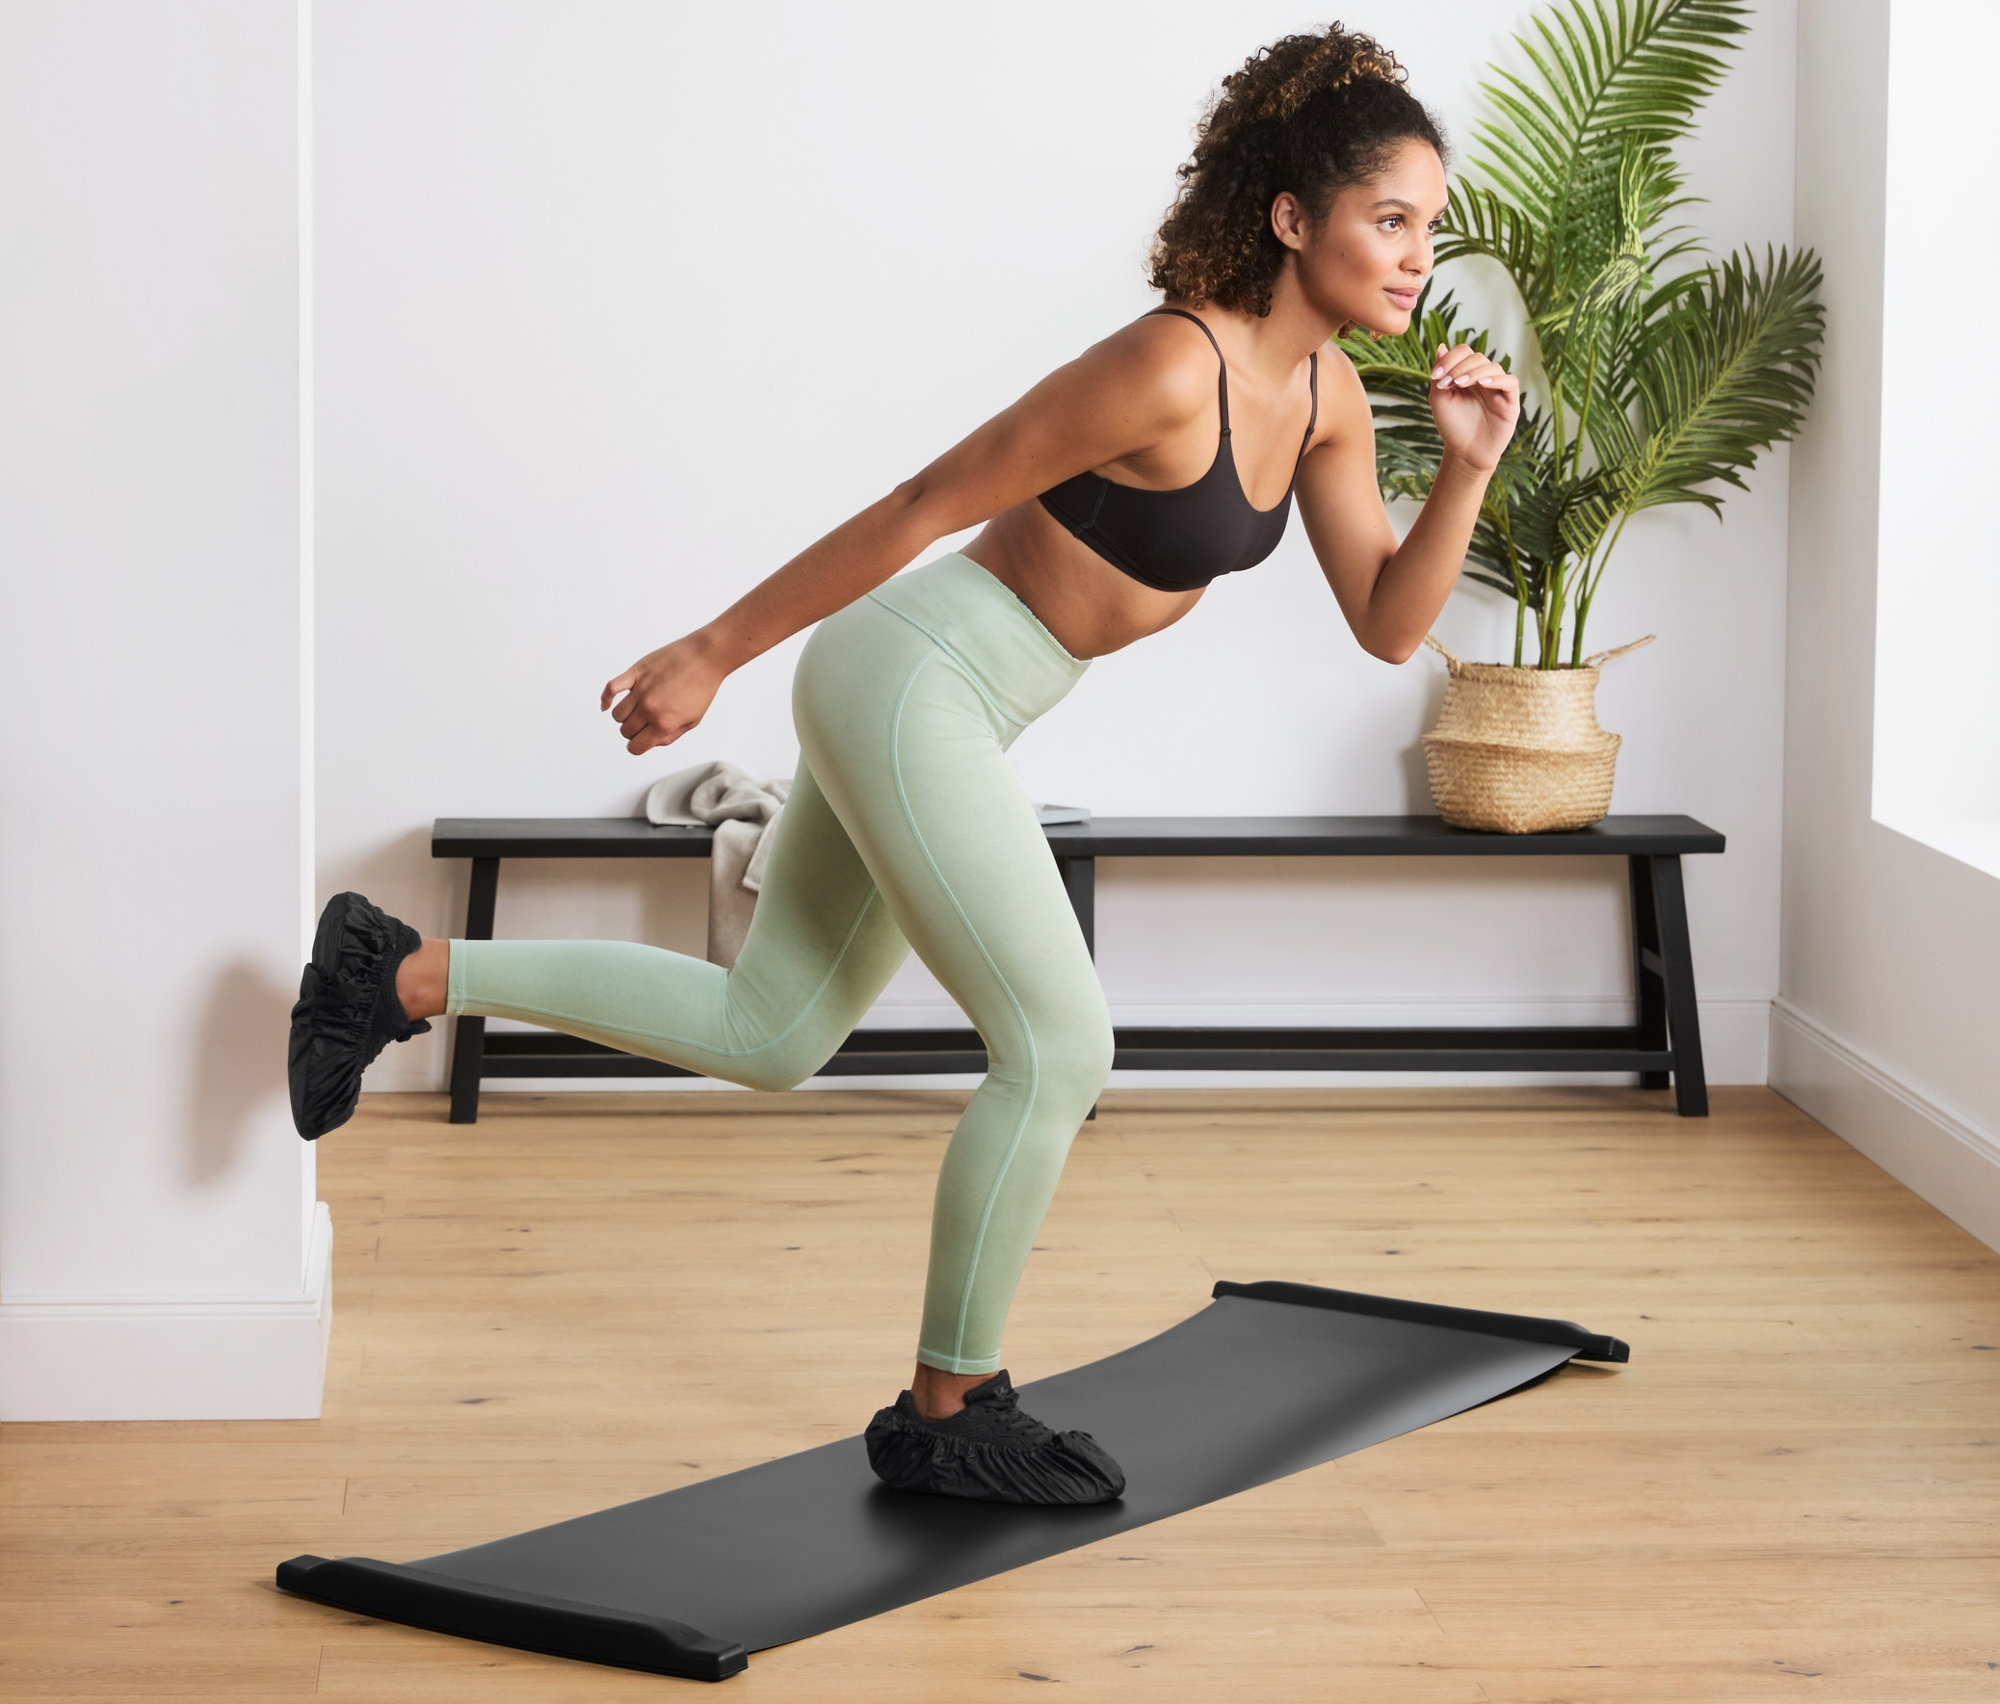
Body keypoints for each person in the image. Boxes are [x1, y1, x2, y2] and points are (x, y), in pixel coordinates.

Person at [288, 24, 1519, 1506]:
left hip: (964, 701)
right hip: (911, 676)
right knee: (1062, 1044)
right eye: (1391, 220)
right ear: (1291, 217)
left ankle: (397, 975)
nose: (1413, 259)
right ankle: (949, 1404)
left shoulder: (1324, 399)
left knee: (771, 1030)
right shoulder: (1164, 366)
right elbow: (928, 499)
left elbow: (1391, 625)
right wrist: (710, 649)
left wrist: (1462, 464)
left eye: (1425, 230)